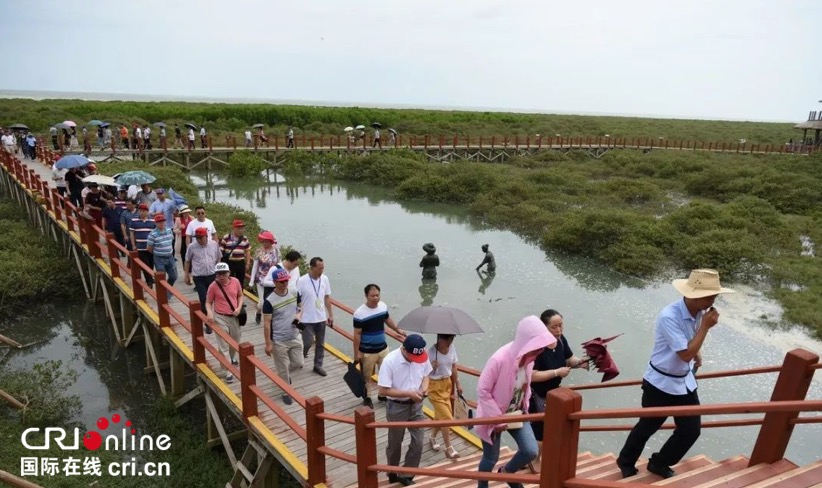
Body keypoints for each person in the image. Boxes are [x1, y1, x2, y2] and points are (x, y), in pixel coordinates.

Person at [617, 269, 734, 479]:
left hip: (684, 381)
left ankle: (659, 462)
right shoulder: (669, 316)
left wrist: (697, 351)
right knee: (648, 426)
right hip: (660, 383)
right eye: (709, 296)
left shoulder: (698, 312)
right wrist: (705, 329)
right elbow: (684, 354)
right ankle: (625, 461)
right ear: (693, 295)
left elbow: (689, 344)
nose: (712, 301)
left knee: (691, 430)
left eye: (714, 297)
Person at [476, 315, 556, 488]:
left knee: (530, 450)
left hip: (517, 412)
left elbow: (523, 387)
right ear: (527, 342)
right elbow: (483, 390)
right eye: (537, 347)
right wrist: (497, 418)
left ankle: (506, 472)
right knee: (490, 458)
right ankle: (482, 486)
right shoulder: (499, 359)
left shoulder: (529, 359)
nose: (540, 351)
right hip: (494, 415)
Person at [528, 309, 589, 473]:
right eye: (553, 327)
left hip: (553, 393)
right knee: (539, 429)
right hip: (536, 394)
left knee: (551, 427)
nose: (558, 330)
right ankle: (534, 459)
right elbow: (531, 375)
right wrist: (556, 372)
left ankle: (530, 456)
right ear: (543, 327)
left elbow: (569, 359)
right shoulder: (537, 347)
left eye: (561, 326)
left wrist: (581, 362)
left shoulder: (561, 341)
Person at [377, 334, 433, 487]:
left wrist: (424, 389)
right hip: (397, 407)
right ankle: (392, 470)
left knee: (419, 441)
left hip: (416, 406)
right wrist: (408, 393)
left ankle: (407, 473)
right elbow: (383, 390)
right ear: (404, 349)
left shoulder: (421, 355)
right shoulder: (390, 361)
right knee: (395, 442)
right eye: (413, 357)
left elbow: (426, 375)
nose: (416, 360)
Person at [353, 283, 405, 408]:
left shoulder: (382, 306)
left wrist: (398, 330)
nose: (375, 298)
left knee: (386, 373)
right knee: (367, 376)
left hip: (383, 348)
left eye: (377, 295)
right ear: (366, 296)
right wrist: (356, 353)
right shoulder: (359, 313)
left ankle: (382, 395)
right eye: (372, 296)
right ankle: (367, 397)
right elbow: (357, 334)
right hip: (368, 351)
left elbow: (388, 320)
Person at [263, 268, 303, 405]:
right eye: (281, 281)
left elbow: (300, 307)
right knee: (283, 368)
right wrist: (268, 344)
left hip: (295, 335)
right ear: (274, 282)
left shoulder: (294, 292)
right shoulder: (269, 301)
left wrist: (299, 315)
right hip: (279, 339)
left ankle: (283, 377)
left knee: (298, 363)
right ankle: (285, 391)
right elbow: (267, 323)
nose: (284, 283)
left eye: (286, 280)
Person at [205, 262, 244, 382]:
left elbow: (240, 295)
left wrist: (238, 308)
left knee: (235, 342)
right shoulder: (213, 286)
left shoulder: (236, 282)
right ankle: (228, 371)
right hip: (220, 317)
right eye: (218, 274)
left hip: (234, 316)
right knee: (223, 345)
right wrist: (209, 312)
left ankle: (231, 359)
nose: (221, 276)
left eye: (223, 273)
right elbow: (208, 302)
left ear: (229, 273)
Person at [295, 257, 333, 376]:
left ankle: (318, 365)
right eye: (319, 268)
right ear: (311, 267)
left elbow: (327, 297)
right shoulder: (302, 281)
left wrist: (330, 314)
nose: (321, 270)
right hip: (306, 318)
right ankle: (300, 357)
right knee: (307, 342)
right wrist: (297, 315)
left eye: (323, 268)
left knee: (320, 344)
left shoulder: (325, 279)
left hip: (320, 317)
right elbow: (296, 299)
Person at [427, 333, 462, 460]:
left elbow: (453, 366)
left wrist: (457, 382)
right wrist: (431, 366)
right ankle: (449, 448)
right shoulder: (430, 352)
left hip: (447, 384)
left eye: (452, 339)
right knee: (447, 417)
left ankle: (432, 437)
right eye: (448, 339)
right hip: (434, 386)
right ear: (440, 339)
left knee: (440, 416)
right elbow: (421, 372)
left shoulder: (452, 348)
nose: (450, 342)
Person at [184, 227, 222, 328]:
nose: (199, 239)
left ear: (206, 236)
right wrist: (186, 275)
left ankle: (216, 317)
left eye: (201, 237)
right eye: (197, 238)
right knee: (204, 298)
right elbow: (187, 261)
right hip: (198, 276)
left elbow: (218, 258)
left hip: (212, 275)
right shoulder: (192, 247)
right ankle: (207, 322)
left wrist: (219, 273)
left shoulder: (214, 244)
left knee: (215, 297)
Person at [249, 230, 280, 324]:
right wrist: (251, 280)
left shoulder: (276, 250)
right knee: (262, 302)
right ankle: (258, 312)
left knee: (272, 301)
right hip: (261, 279)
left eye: (266, 241)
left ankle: (272, 320)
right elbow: (255, 266)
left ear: (271, 241)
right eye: (263, 241)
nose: (264, 243)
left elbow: (279, 264)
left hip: (272, 280)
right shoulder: (259, 251)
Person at [129, 204, 156, 287]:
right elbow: (132, 234)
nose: (142, 212)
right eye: (140, 211)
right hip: (140, 246)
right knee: (145, 264)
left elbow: (155, 234)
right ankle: (149, 282)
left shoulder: (152, 221)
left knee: (151, 264)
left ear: (147, 212)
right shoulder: (134, 221)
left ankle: (150, 277)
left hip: (151, 247)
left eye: (144, 211)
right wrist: (133, 245)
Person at [147, 214, 177, 287]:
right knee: (161, 278)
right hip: (159, 259)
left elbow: (171, 241)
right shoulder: (152, 234)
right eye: (159, 222)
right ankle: (163, 295)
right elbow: (149, 248)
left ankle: (168, 290)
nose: (161, 223)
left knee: (174, 276)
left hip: (170, 257)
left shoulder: (169, 230)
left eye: (163, 221)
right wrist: (157, 253)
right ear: (156, 223)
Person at [219, 219, 251, 288]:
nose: (241, 230)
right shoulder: (226, 237)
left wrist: (247, 263)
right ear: (234, 228)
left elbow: (248, 251)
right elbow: (221, 251)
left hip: (240, 263)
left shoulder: (245, 239)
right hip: (229, 263)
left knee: (240, 282)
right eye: (239, 228)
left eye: (242, 228)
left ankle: (239, 296)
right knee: (229, 281)